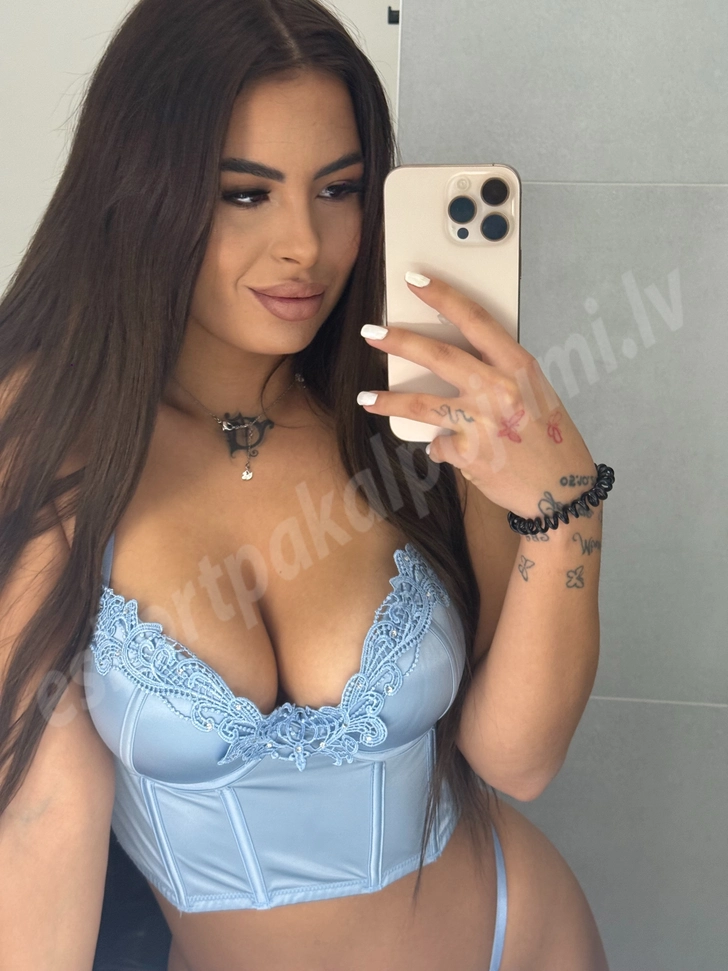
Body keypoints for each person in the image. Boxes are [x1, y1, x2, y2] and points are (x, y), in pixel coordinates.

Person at [0, 0, 612, 968]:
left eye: (338, 190)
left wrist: (563, 507)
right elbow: (38, 813)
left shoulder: (414, 415)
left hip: (515, 938)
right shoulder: (54, 434)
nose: (306, 245)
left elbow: (518, 758)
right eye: (246, 193)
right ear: (142, 188)